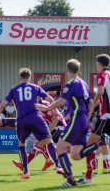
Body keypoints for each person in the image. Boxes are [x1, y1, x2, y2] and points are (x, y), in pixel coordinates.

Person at [36, 59, 110, 187]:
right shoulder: (84, 83)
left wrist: (46, 108)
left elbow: (61, 101)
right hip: (83, 120)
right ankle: (100, 143)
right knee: (76, 154)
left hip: (76, 119)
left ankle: (70, 180)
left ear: (67, 70)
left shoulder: (71, 84)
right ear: (78, 70)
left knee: (59, 148)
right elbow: (91, 103)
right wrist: (87, 118)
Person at [0, 68, 64, 180]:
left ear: (20, 78)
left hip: (22, 119)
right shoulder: (35, 87)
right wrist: (56, 110)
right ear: (29, 78)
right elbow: (49, 98)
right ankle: (58, 166)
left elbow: (3, 104)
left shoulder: (14, 89)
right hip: (35, 117)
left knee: (22, 144)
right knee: (49, 141)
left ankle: (26, 172)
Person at [79, 54, 110, 184]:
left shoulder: (102, 74)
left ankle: (88, 177)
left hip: (106, 116)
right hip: (106, 115)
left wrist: (92, 104)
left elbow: (101, 91)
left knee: (90, 144)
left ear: (98, 64)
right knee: (97, 142)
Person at [13, 98, 67, 172]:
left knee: (40, 143)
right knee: (40, 143)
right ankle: (49, 161)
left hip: (59, 127)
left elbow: (56, 119)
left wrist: (47, 132)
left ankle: (59, 163)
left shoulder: (44, 106)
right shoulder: (39, 106)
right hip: (57, 126)